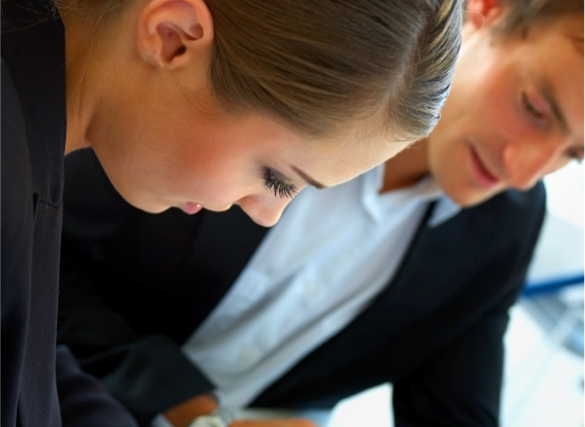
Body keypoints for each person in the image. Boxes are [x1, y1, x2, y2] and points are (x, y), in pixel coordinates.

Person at [56, 0, 583, 426]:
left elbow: (454, 406)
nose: (526, 171)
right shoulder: (287, 64)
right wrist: (196, 414)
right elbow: (43, 254)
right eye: (534, 109)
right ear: (489, 10)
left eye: (573, 155)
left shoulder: (507, 228)